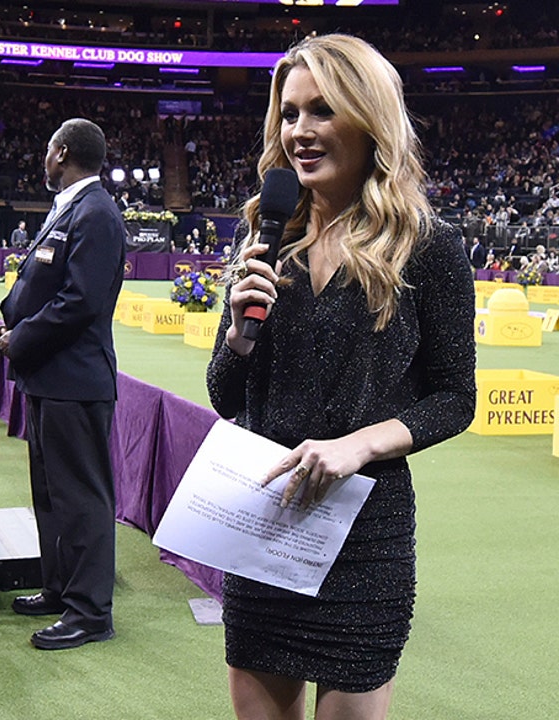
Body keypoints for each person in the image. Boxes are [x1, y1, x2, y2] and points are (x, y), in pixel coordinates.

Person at [207, 34, 475, 719]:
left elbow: (454, 398)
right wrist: (237, 337)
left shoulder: (430, 247)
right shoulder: (266, 239)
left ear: (368, 117)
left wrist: (358, 446)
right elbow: (224, 395)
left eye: (322, 110)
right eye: (289, 113)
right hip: (265, 524)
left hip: (365, 539)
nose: (300, 130)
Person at [0, 118, 124, 650]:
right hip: (51, 376)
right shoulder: (73, 207)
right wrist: (15, 326)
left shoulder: (95, 213)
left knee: (81, 498)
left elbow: (79, 301)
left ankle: (91, 613)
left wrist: (20, 338)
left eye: (47, 151)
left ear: (61, 152)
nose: (43, 159)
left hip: (75, 377)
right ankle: (61, 588)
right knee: (50, 495)